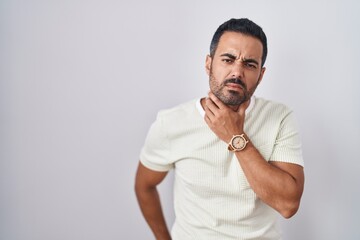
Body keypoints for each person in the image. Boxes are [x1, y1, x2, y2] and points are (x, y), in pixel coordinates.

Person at [135, 18, 304, 240]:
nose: (237, 72)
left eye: (249, 64)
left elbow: (288, 204)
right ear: (209, 63)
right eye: (228, 59)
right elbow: (144, 186)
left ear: (261, 75)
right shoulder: (172, 122)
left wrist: (235, 137)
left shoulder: (279, 117)